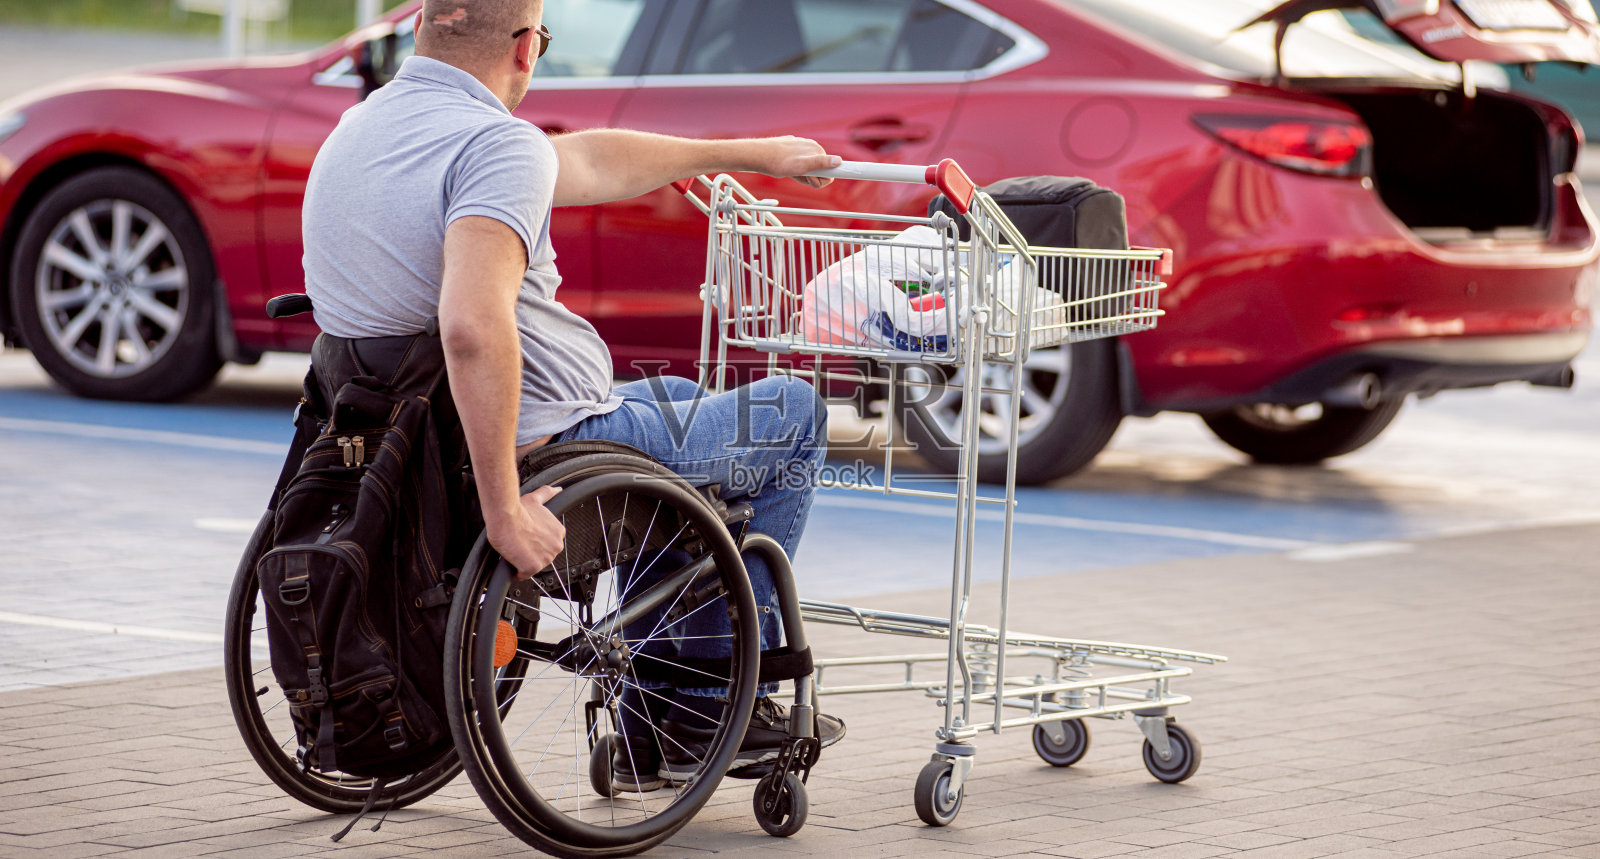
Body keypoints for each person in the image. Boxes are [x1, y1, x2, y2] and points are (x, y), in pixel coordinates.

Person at [301, 0, 844, 793]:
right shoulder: (494, 146)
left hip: (397, 440)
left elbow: (587, 160)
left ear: (424, 27)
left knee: (685, 395)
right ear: (526, 48)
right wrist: (503, 510)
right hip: (547, 443)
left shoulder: (363, 130)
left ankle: (672, 689)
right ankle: (705, 702)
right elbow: (472, 329)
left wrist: (751, 152)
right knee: (792, 413)